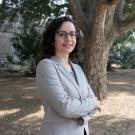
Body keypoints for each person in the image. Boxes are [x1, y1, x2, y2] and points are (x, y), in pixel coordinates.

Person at [36, 16, 100, 135]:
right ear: (52, 39)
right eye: (62, 34)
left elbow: (92, 100)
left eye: (72, 34)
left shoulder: (78, 68)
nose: (68, 38)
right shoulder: (46, 66)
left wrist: (88, 107)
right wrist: (94, 103)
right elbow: (65, 107)